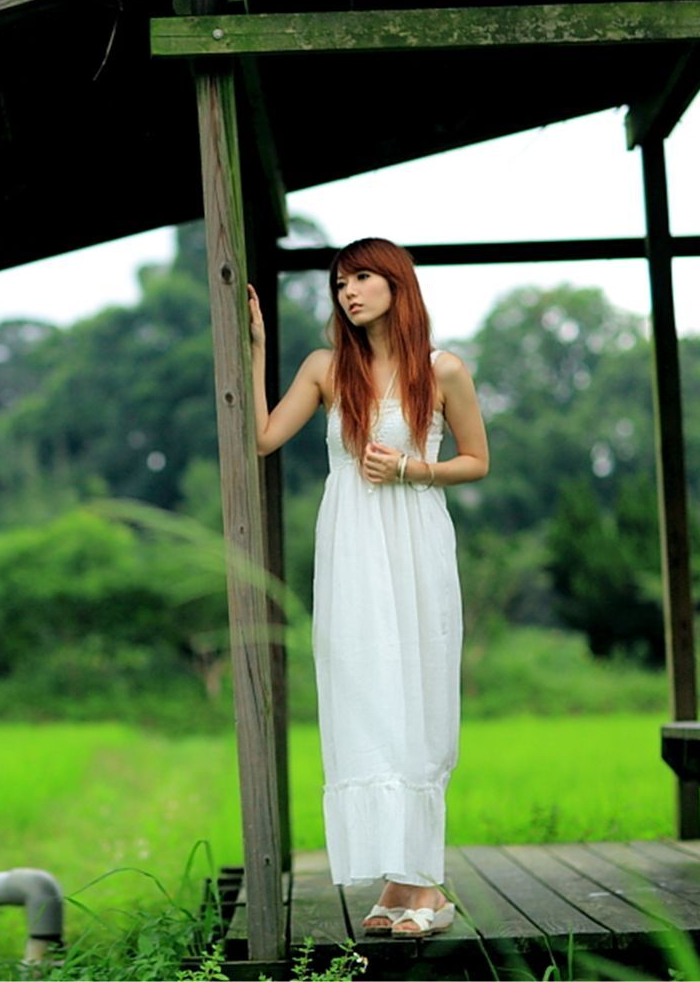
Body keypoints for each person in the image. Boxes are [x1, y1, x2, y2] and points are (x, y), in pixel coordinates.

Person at [245, 237, 489, 939]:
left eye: (362, 277)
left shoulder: (444, 370)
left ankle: (424, 887)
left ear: (395, 284)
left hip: (416, 545)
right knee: (366, 693)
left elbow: (477, 460)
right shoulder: (326, 368)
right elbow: (263, 437)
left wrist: (415, 470)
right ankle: (400, 882)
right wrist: (258, 348)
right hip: (352, 551)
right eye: (340, 282)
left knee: (419, 691)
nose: (348, 292)